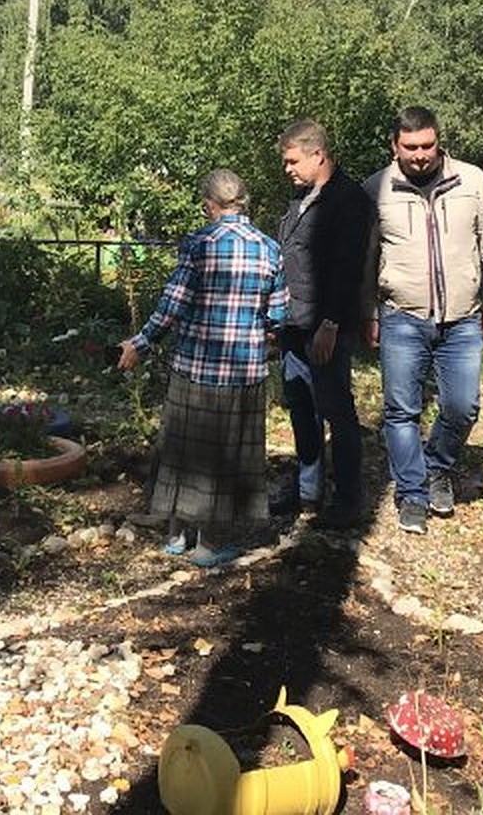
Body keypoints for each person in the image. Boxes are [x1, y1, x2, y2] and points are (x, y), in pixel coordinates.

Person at [118, 168, 288, 567]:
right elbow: (278, 315)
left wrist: (140, 344)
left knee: (182, 451)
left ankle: (176, 537)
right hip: (243, 374)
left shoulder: (199, 243)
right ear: (244, 202)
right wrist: (261, 335)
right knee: (226, 458)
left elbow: (172, 305)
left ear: (209, 205)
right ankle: (209, 546)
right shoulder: (269, 248)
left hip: (193, 367)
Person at [363, 106, 483, 535]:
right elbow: (365, 261)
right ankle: (411, 493)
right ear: (395, 146)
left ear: (438, 141)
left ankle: (436, 467)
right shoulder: (377, 189)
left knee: (462, 407)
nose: (420, 155)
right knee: (401, 410)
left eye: (428, 145)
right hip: (401, 317)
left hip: (463, 319)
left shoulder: (471, 181)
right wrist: (366, 313)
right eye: (410, 147)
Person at [274, 120, 373, 530]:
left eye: (292, 161)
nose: (288, 169)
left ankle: (349, 499)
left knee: (336, 410)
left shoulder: (349, 200)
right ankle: (307, 491)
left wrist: (330, 323)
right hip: (294, 325)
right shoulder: (301, 198)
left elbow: (347, 268)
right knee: (302, 410)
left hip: (325, 327)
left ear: (318, 155)